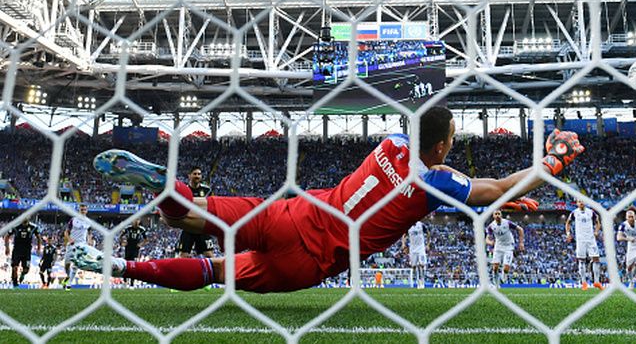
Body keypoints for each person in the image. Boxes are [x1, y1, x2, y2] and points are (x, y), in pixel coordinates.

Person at [73, 107, 584, 293]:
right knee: (216, 273)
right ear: (445, 145)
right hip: (309, 261)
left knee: (193, 214)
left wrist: (488, 199)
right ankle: (123, 267)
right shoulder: (439, 181)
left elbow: (447, 180)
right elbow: (492, 187)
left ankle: (165, 189)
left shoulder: (390, 143)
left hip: (291, 213)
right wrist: (552, 163)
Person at [176, 167, 215, 259]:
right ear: (189, 176)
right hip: (188, 226)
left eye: (199, 174)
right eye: (195, 174)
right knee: (182, 256)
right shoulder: (183, 190)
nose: (197, 176)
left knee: (209, 255)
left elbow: (212, 206)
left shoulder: (207, 190)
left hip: (202, 227)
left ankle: (212, 273)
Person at [565, 199, 603, 290]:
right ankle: (584, 283)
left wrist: (596, 231)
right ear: (577, 203)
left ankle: (597, 282)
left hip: (591, 239)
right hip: (580, 239)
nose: (581, 202)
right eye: (579, 201)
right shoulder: (574, 213)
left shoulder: (591, 212)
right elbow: (568, 223)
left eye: (582, 201)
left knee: (596, 258)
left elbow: (597, 222)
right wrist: (568, 234)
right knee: (581, 260)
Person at [486, 210, 524, 287]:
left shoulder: (507, 223)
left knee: (506, 268)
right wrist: (490, 243)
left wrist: (521, 243)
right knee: (495, 267)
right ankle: (495, 282)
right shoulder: (491, 226)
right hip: (498, 246)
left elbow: (520, 229)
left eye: (498, 214)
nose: (497, 215)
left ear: (501, 215)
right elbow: (487, 239)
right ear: (493, 216)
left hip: (508, 246)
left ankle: (503, 278)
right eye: (495, 214)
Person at [4, 217, 41, 288]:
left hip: (27, 251)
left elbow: (39, 237)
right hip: (17, 250)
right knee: (14, 267)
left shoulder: (33, 227)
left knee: (26, 269)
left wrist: (39, 248)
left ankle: (22, 275)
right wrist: (7, 248)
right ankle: (15, 284)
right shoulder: (15, 226)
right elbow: (7, 236)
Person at [63, 204, 93, 290]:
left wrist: (90, 240)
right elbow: (66, 232)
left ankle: (69, 283)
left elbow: (89, 233)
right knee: (67, 264)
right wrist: (69, 239)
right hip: (72, 244)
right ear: (79, 211)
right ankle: (68, 277)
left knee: (76, 264)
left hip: (81, 245)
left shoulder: (88, 221)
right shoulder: (73, 220)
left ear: (86, 211)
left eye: (84, 210)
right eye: (81, 210)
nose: (83, 211)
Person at [401, 221, 429, 289]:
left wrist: (428, 244)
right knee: (414, 266)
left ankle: (422, 281)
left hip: (421, 247)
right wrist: (403, 244)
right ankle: (418, 282)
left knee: (422, 265)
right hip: (413, 248)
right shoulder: (408, 226)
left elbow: (428, 233)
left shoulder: (421, 224)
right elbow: (404, 235)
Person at [120, 218, 148, 287]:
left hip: (135, 249)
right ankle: (125, 280)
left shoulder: (142, 229)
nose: (136, 222)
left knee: (134, 265)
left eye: (137, 220)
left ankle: (132, 283)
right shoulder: (128, 228)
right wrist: (122, 242)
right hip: (128, 248)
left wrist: (141, 244)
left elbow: (146, 239)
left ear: (139, 221)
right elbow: (121, 236)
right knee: (126, 264)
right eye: (134, 221)